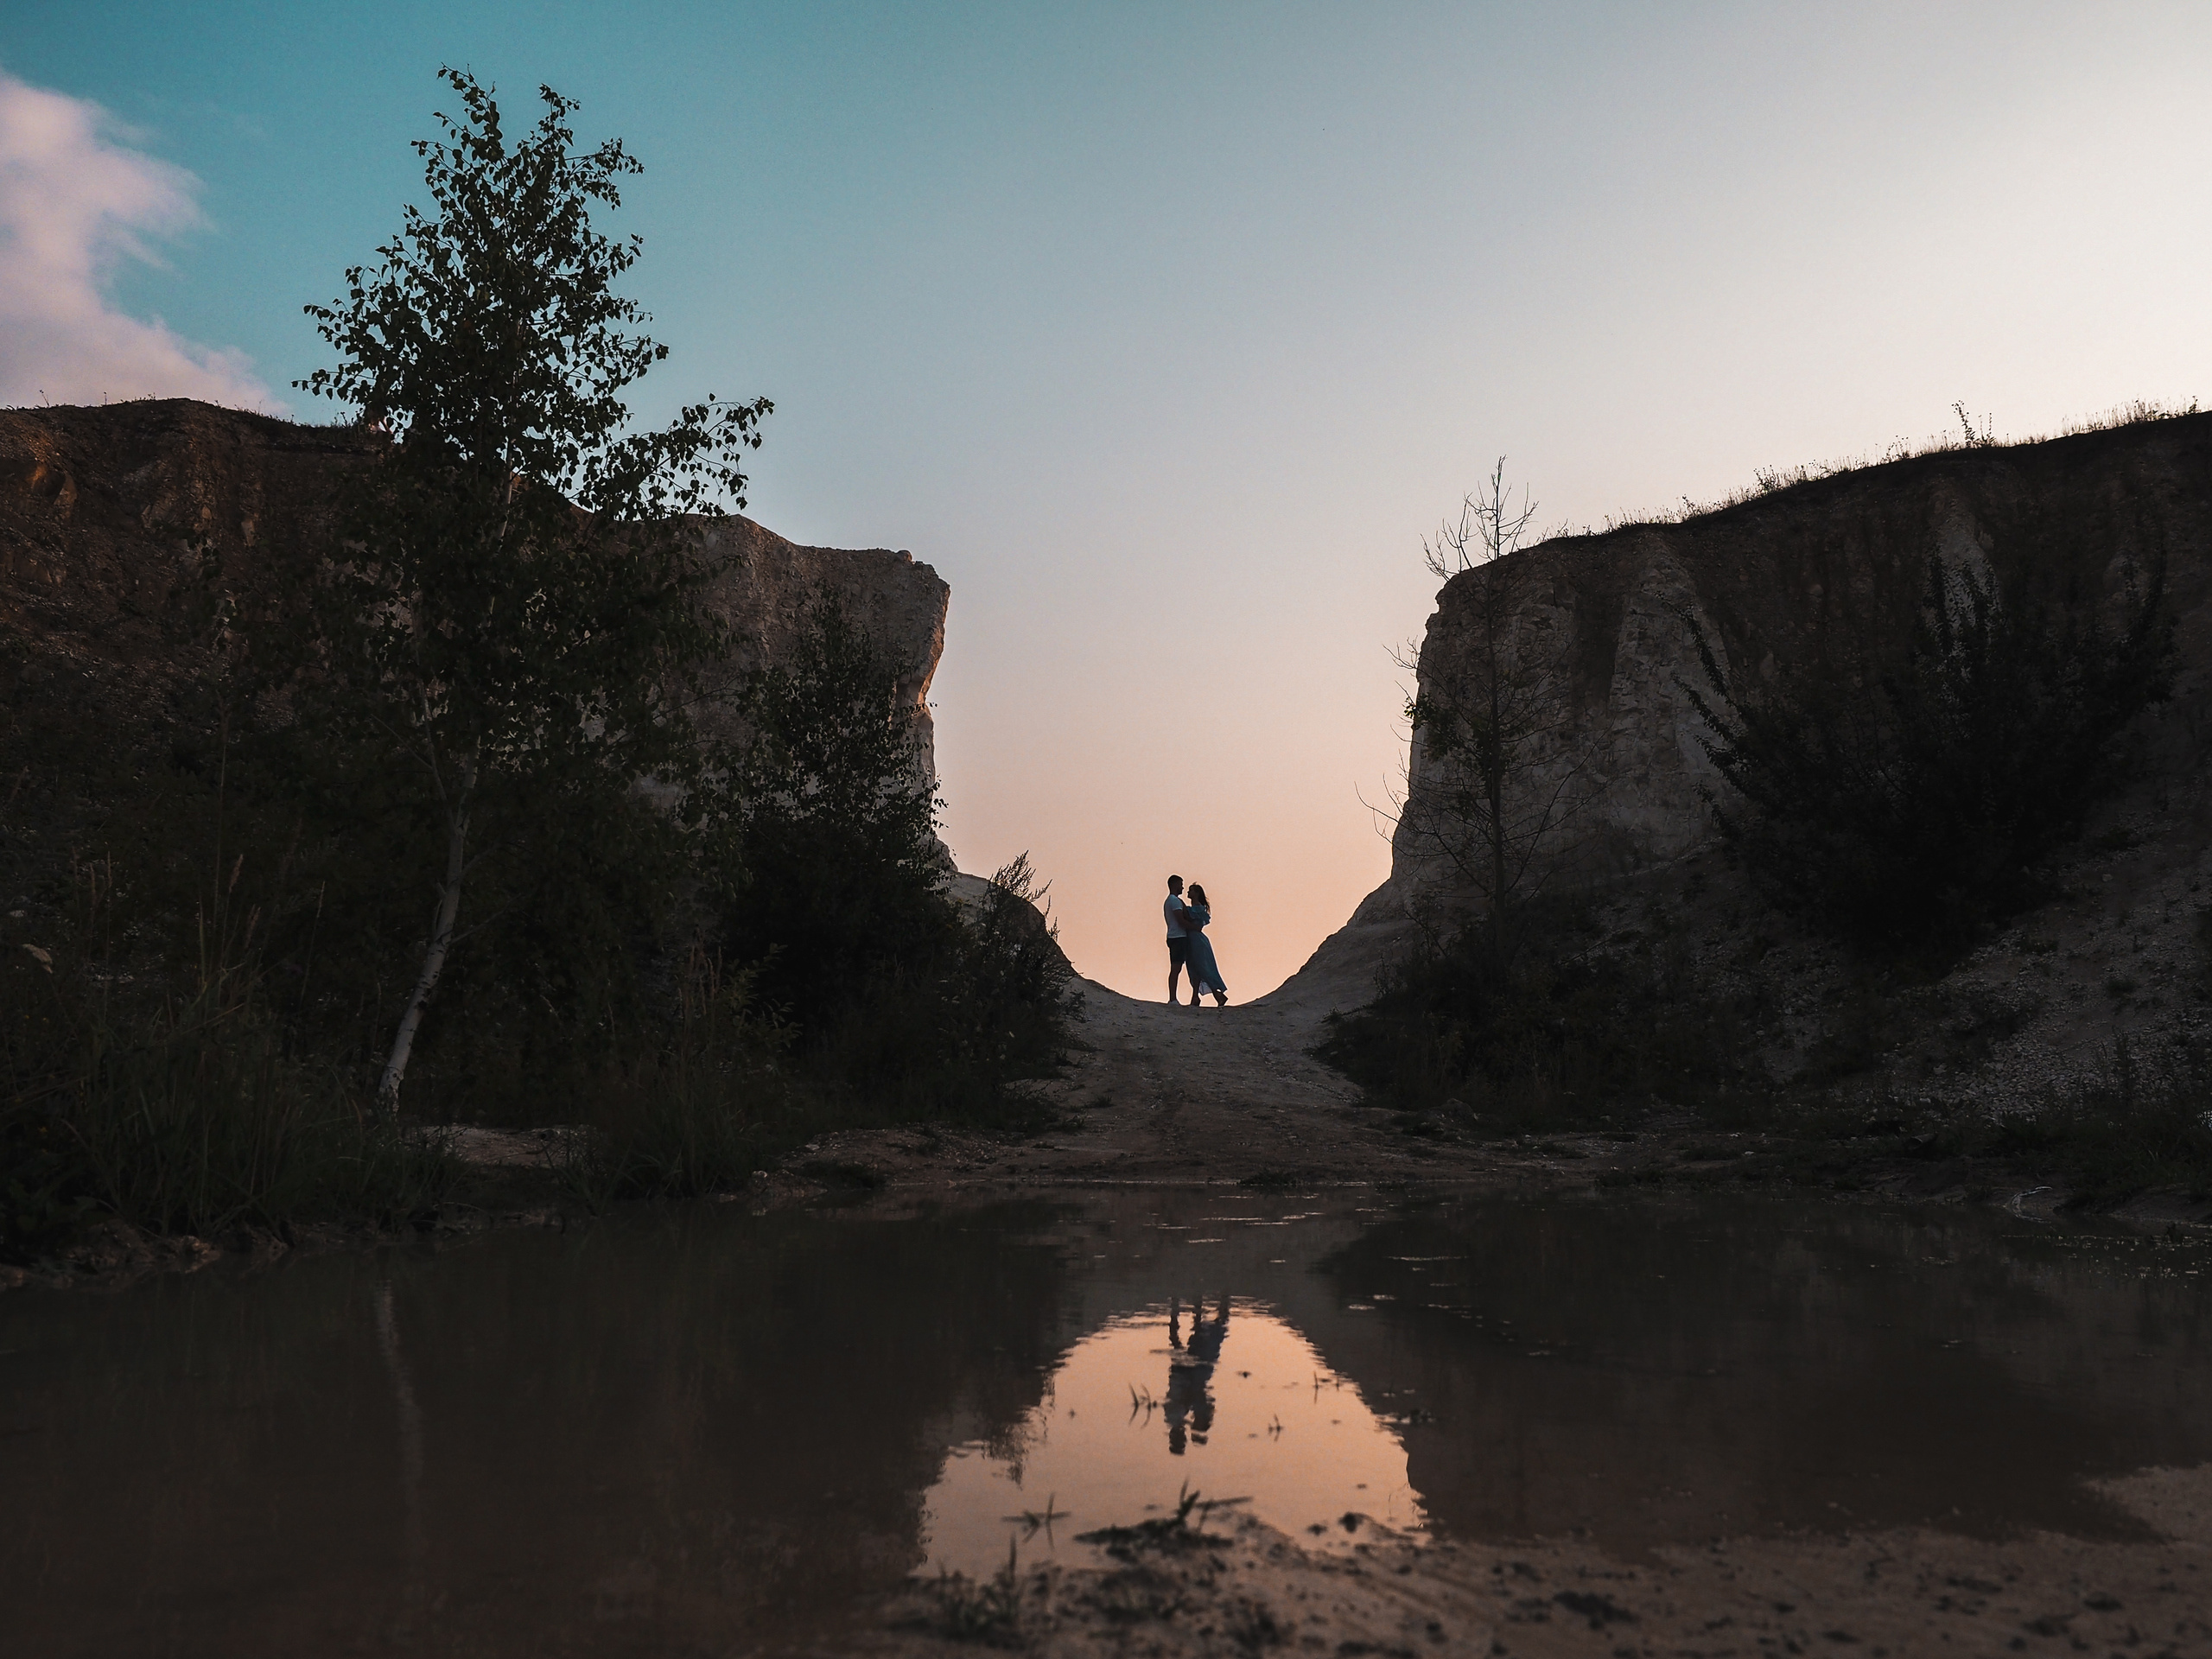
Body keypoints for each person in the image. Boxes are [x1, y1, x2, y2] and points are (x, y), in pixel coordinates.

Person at [1182, 883, 1229, 1007]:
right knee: (1194, 969)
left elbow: (1197, 926)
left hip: (1197, 941)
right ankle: (1195, 997)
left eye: (1191, 890)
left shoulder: (1197, 908)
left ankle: (1217, 995)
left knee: (1202, 968)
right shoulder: (1193, 908)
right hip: (1191, 940)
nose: (1188, 892)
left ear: (1196, 893)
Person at [1164, 874, 1193, 1005]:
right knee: (1176, 968)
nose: (1182, 887)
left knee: (1177, 968)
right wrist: (1194, 927)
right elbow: (1180, 920)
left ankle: (1174, 998)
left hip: (1176, 936)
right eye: (1181, 884)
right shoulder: (1174, 901)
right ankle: (1172, 998)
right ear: (1175, 884)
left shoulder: (1174, 901)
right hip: (1177, 937)